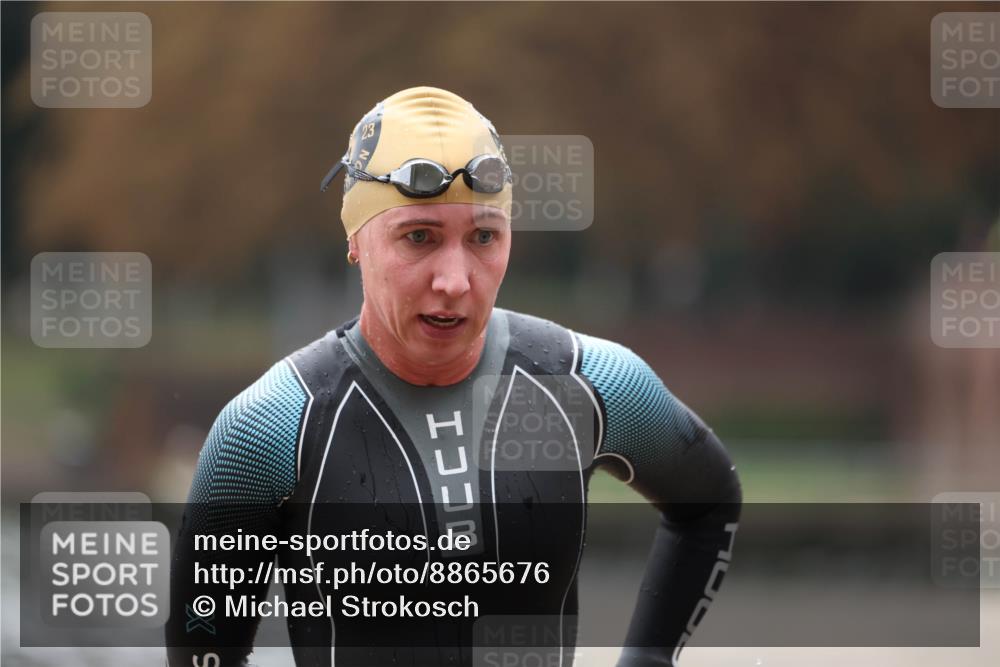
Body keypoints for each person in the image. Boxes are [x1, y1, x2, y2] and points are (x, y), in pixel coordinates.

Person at [166, 86, 741, 667]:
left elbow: (710, 502)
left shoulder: (585, 381)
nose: (456, 281)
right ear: (356, 241)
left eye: (484, 237)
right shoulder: (265, 432)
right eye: (419, 237)